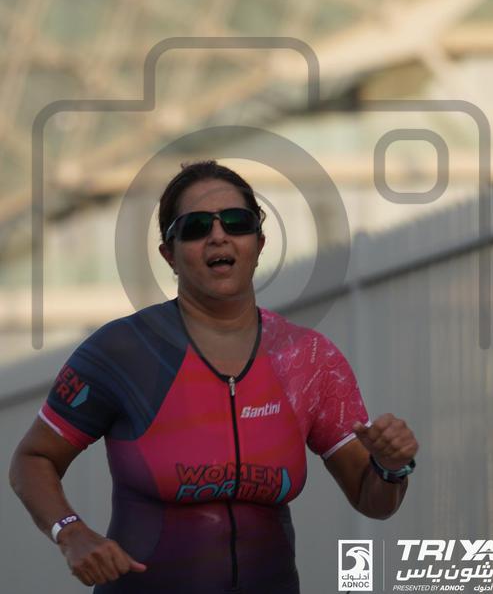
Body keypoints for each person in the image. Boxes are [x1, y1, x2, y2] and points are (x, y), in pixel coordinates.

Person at [9, 160, 419, 594]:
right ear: (169, 254)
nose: (218, 236)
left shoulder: (310, 357)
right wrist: (70, 531)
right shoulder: (123, 351)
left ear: (259, 243)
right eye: (196, 227)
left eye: (237, 222)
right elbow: (32, 459)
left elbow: (373, 501)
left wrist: (391, 467)